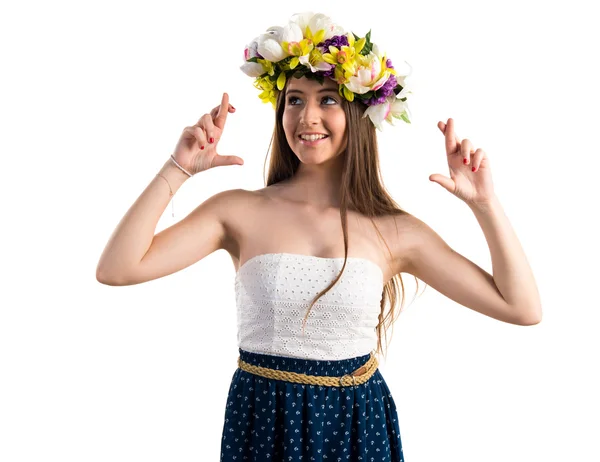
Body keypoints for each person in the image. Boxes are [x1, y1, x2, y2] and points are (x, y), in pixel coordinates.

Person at [96, 11, 542, 462]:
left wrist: (485, 205)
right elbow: (117, 268)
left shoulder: (394, 231)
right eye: (294, 100)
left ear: (358, 111)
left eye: (328, 99)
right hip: (263, 424)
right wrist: (178, 169)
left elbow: (521, 307)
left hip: (357, 430)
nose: (307, 116)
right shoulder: (238, 211)